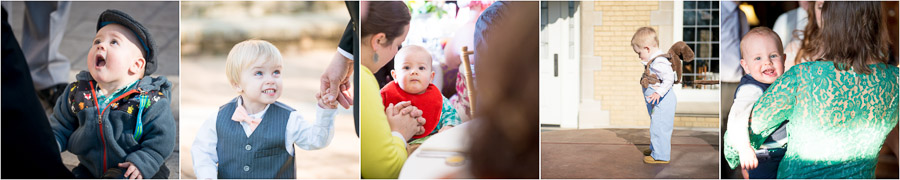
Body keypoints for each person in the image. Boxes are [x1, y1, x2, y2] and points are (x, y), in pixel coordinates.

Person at [726, 2, 898, 178]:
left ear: (834, 21)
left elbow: (734, 141)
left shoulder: (803, 76)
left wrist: (742, 150)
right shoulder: (895, 80)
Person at [49, 9, 175, 179]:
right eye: (97, 41)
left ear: (136, 65)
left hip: (135, 170)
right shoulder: (77, 93)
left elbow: (162, 139)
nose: (101, 45)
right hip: (90, 169)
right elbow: (60, 126)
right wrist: (49, 144)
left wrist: (144, 161)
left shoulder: (150, 101)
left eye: (114, 42)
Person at [190, 40, 338, 179]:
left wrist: (325, 111)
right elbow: (202, 151)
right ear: (237, 84)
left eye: (276, 72)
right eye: (259, 73)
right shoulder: (219, 117)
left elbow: (316, 140)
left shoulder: (289, 119)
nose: (271, 80)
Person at [359, 1, 426, 179]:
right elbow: (385, 172)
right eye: (398, 44)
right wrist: (400, 133)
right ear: (379, 40)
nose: (397, 51)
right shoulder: (363, 79)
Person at [723, 27, 786, 179]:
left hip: (784, 150)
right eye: (758, 58)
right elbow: (737, 119)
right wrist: (744, 148)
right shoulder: (751, 89)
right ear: (745, 66)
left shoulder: (784, 83)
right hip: (763, 155)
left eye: (773, 55)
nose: (767, 62)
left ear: (784, 59)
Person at [380, 45, 461, 152]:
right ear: (395, 76)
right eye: (406, 67)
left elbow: (451, 115)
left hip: (430, 144)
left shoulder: (437, 98)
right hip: (397, 145)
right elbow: (375, 119)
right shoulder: (386, 95)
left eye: (421, 68)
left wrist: (449, 126)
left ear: (431, 77)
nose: (414, 72)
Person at [631, 27, 676, 164]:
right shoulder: (654, 61)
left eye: (639, 53)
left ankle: (661, 156)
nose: (639, 56)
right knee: (656, 125)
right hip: (657, 102)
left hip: (662, 101)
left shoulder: (659, 61)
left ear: (647, 48)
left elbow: (669, 78)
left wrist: (658, 92)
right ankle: (655, 149)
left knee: (660, 127)